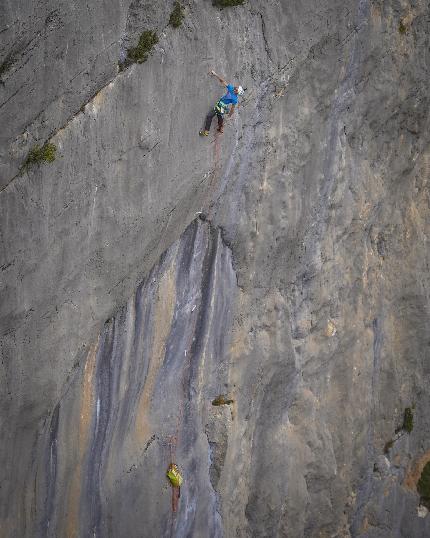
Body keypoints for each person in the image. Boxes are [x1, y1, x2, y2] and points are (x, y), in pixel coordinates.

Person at [199, 71, 244, 136]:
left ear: (237, 92)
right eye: (237, 87)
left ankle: (206, 132)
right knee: (219, 115)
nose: (236, 87)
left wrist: (230, 115)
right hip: (223, 107)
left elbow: (232, 108)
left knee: (209, 116)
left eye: (237, 88)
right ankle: (220, 128)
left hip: (220, 106)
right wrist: (215, 74)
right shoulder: (231, 88)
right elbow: (223, 81)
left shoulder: (235, 98)